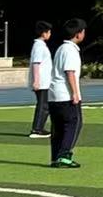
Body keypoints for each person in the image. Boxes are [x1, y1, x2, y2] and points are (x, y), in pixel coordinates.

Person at [47, 19, 85, 168]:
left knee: (58, 127)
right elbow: (70, 72)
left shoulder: (61, 49)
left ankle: (56, 156)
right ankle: (64, 155)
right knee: (73, 123)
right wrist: (75, 93)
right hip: (65, 94)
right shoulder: (70, 50)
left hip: (54, 94)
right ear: (78, 34)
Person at [27, 21, 54, 139]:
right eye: (49, 32)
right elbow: (36, 63)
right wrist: (36, 81)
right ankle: (37, 129)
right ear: (44, 33)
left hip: (44, 81)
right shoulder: (39, 46)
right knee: (43, 105)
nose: (50, 34)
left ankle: (38, 128)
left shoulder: (41, 45)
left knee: (44, 105)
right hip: (42, 81)